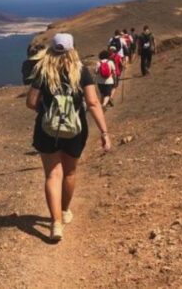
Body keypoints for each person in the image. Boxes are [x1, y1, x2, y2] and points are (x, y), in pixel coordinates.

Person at [26, 33, 111, 242]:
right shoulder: (81, 71)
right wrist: (104, 132)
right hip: (75, 129)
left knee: (52, 175)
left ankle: (55, 224)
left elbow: (30, 102)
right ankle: (64, 211)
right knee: (70, 172)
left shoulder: (43, 71)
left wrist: (46, 112)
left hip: (47, 130)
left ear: (52, 50)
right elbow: (92, 103)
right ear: (73, 49)